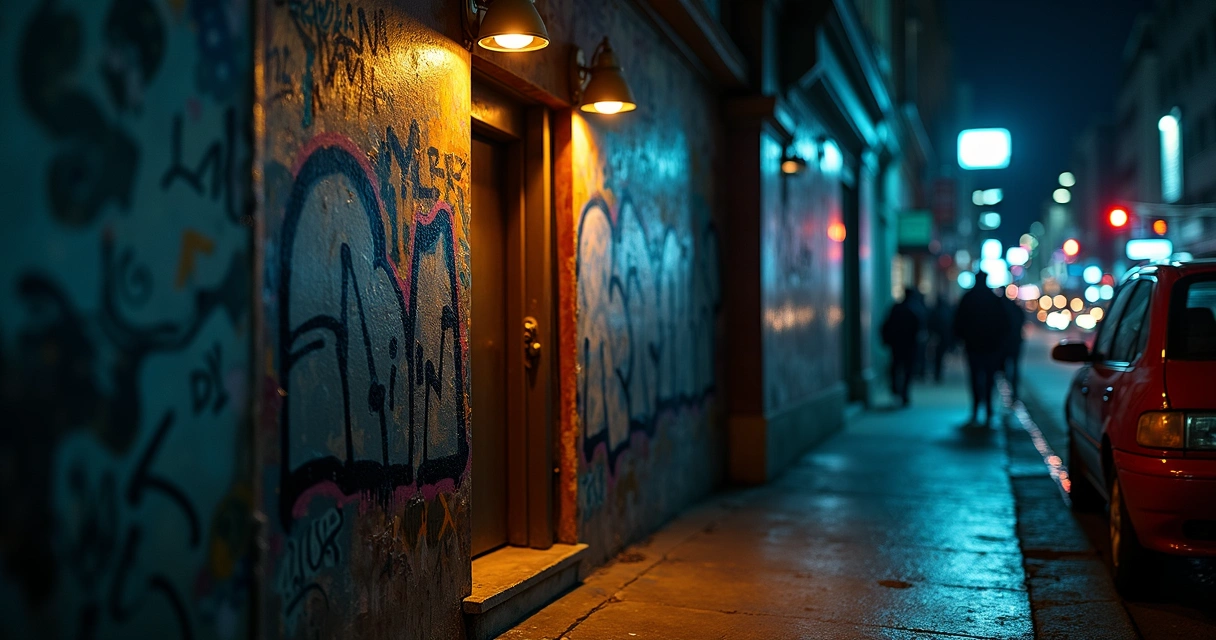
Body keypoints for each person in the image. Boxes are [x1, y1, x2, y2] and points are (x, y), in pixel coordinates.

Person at [953, 272, 1010, 427]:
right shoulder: (993, 299)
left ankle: (976, 408)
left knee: (974, 378)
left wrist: (960, 339)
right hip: (990, 347)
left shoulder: (968, 298)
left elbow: (958, 321)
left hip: (973, 346)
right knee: (989, 378)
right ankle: (988, 409)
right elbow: (1004, 324)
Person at [882, 287, 925, 406]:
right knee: (907, 370)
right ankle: (904, 392)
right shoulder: (915, 309)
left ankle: (897, 389)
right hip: (909, 345)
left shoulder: (897, 308)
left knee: (896, 367)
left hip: (897, 344)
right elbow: (919, 329)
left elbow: (886, 325)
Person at [1001, 294, 1027, 401]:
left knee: (1005, 367)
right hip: (1015, 342)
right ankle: (1014, 391)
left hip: (1005, 343)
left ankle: (1011, 389)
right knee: (1015, 367)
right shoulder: (1016, 309)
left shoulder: (1001, 309)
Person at [927, 296, 954, 383]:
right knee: (939, 356)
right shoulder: (945, 312)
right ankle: (938, 373)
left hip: (937, 337)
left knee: (937, 357)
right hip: (942, 337)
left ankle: (937, 373)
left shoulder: (935, 312)